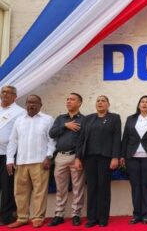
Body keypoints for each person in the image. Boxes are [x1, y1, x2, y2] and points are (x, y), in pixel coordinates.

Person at [6, 95, 55, 228]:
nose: (31, 105)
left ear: (40, 105)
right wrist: (10, 159)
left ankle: (38, 217)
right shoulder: (19, 120)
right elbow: (13, 141)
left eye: (34, 102)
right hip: (21, 162)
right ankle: (22, 218)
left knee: (39, 191)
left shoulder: (48, 119)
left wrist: (48, 156)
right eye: (28, 102)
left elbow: (52, 141)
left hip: (40, 161)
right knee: (20, 192)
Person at [74, 95, 121, 228]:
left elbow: (117, 138)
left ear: (108, 104)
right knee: (92, 188)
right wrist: (78, 157)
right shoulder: (88, 119)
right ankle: (92, 218)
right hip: (89, 158)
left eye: (103, 101)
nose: (100, 103)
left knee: (103, 188)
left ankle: (103, 218)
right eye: (98, 101)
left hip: (106, 158)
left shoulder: (114, 118)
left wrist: (115, 157)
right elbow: (81, 139)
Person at [120, 95, 147, 224]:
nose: (144, 104)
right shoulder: (131, 119)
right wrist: (122, 155)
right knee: (135, 186)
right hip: (132, 157)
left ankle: (146, 214)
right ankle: (136, 214)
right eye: (142, 102)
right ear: (139, 105)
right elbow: (125, 139)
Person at [47, 93, 85, 227]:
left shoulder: (84, 120)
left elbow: (84, 141)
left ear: (79, 103)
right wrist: (65, 126)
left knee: (78, 187)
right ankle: (59, 215)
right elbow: (51, 134)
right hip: (61, 157)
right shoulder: (60, 118)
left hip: (76, 157)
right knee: (60, 188)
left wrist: (79, 157)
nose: (69, 101)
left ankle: (76, 214)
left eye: (72, 99)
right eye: (67, 99)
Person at [0, 86, 24, 226]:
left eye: (9, 93)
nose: (5, 95)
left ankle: (7, 216)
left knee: (7, 186)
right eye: (3, 92)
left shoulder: (20, 112)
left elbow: (18, 135)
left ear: (15, 96)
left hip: (8, 155)